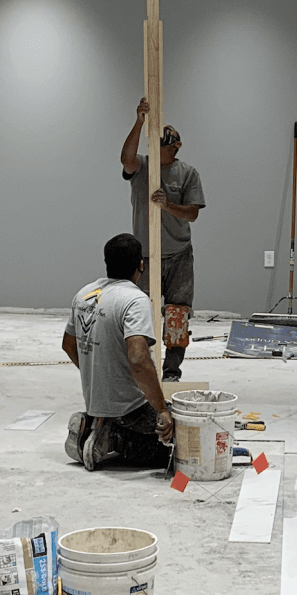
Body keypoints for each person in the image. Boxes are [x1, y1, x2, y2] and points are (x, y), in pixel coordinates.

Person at [62, 233, 177, 472]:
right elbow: (138, 359)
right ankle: (112, 437)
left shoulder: (84, 294)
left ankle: (92, 426)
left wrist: (99, 374)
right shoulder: (134, 300)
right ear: (140, 265)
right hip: (130, 407)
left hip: (97, 402)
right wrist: (161, 410)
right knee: (177, 445)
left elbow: (68, 345)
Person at [118, 96, 205, 381]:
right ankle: (143, 370)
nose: (155, 148)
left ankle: (171, 373)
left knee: (177, 314)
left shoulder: (187, 173)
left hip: (179, 255)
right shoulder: (142, 167)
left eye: (162, 144)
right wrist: (139, 121)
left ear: (176, 146)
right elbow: (126, 159)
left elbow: (192, 213)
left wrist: (167, 205)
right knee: (141, 313)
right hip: (145, 256)